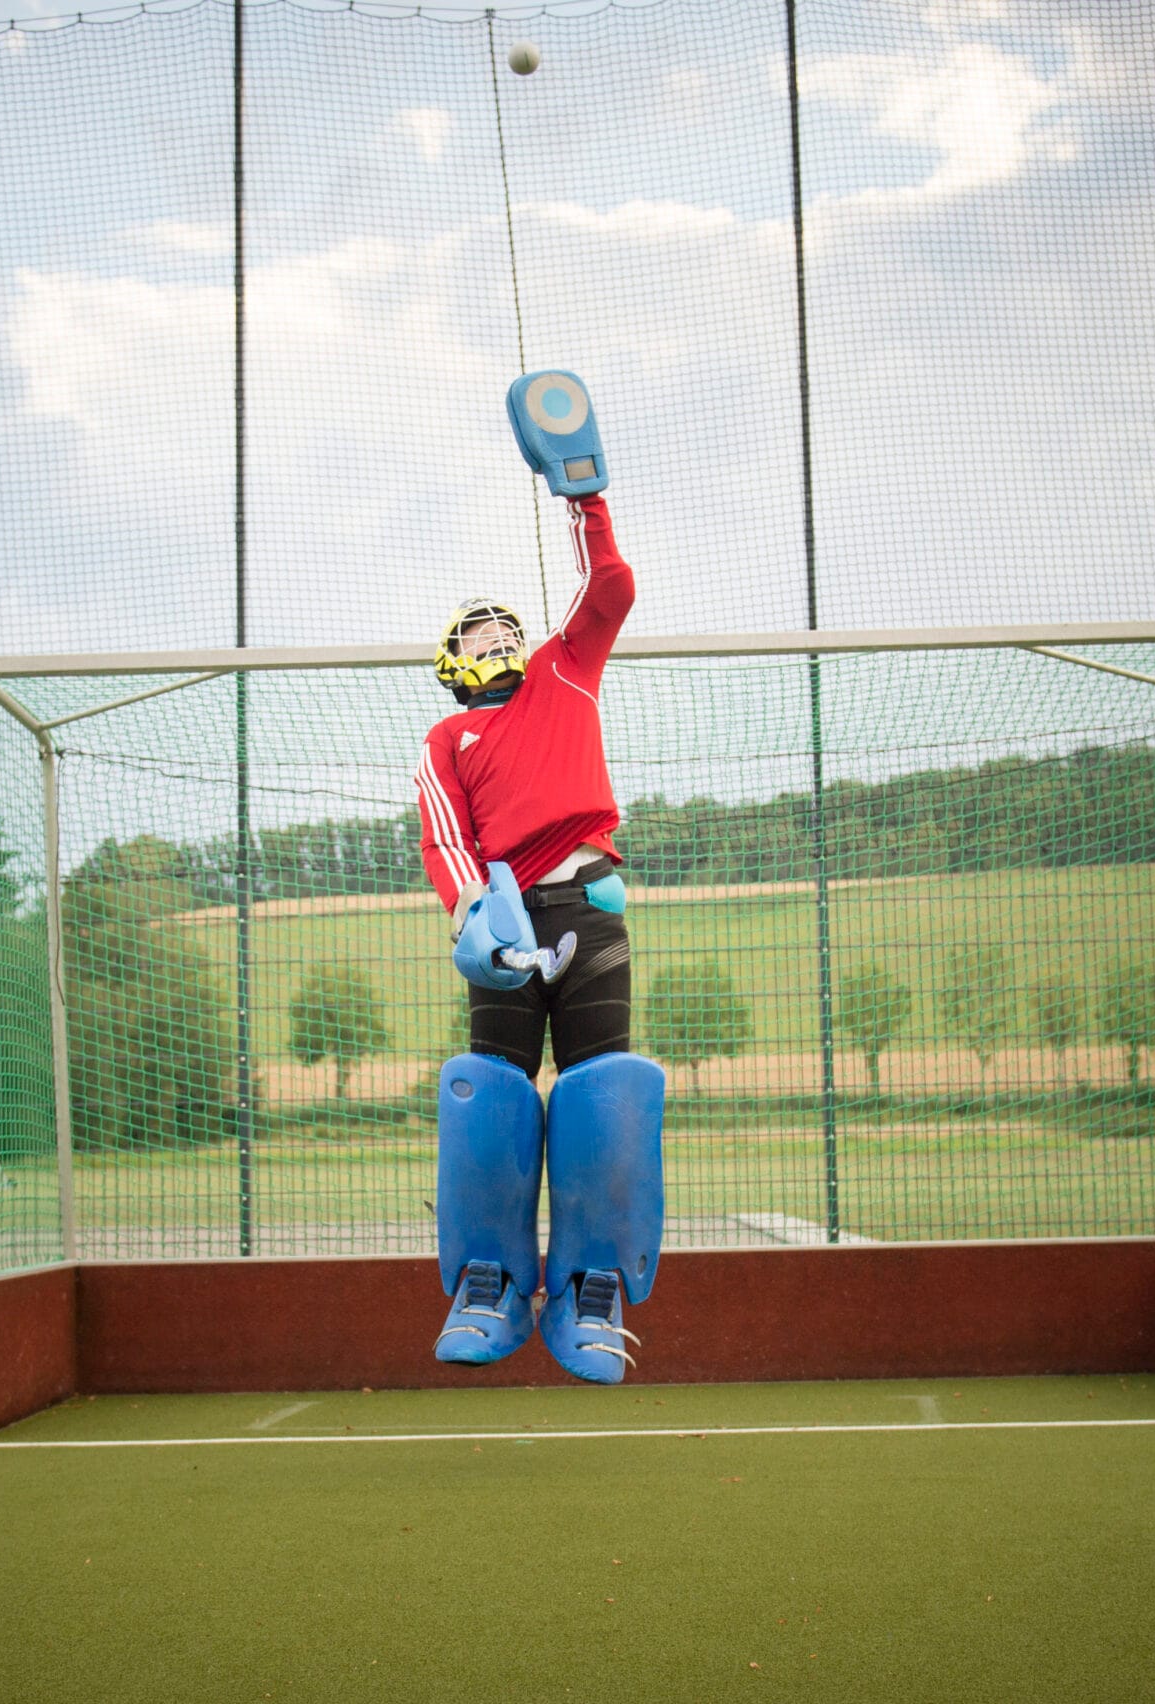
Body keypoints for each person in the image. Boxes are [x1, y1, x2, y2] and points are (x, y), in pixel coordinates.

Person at [416, 384, 666, 1385]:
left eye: (504, 625)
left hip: (589, 904)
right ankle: (488, 1281)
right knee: (496, 1096)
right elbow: (444, 836)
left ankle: (591, 1293)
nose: (496, 635)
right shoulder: (447, 737)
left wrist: (582, 494)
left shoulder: (568, 667)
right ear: (450, 661)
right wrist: (474, 916)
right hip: (509, 924)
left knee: (604, 1091)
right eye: (474, 634)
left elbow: (613, 590)